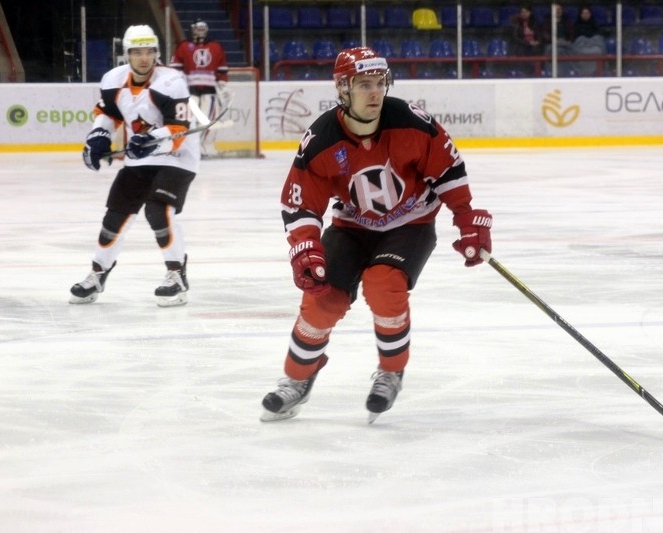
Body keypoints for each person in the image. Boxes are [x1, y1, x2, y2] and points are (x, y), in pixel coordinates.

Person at [261, 47, 493, 424]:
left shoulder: (412, 122)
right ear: (343, 89)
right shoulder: (321, 138)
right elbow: (300, 201)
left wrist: (466, 217)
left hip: (411, 224)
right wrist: (305, 245)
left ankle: (390, 372)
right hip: (351, 227)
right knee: (322, 299)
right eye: (364, 84)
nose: (375, 93)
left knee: (384, 285)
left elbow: (448, 170)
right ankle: (298, 378)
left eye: (379, 83)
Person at [70, 25, 199, 307]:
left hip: (178, 156)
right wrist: (98, 136)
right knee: (115, 214)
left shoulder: (171, 81)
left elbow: (178, 130)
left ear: (156, 53)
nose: (144, 58)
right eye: (137, 52)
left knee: (158, 209)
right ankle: (98, 273)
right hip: (141, 156)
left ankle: (176, 275)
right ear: (126, 54)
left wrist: (151, 139)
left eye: (149, 51)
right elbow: (108, 113)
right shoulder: (112, 80)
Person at [169, 19, 229, 157]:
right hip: (190, 90)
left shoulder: (216, 46)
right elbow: (175, 69)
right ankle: (187, 147)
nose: (200, 32)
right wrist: (178, 83)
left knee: (206, 121)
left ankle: (198, 148)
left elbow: (222, 70)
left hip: (210, 91)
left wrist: (222, 84)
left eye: (203, 29)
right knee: (189, 120)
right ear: (193, 30)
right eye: (198, 29)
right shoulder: (184, 46)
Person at [571, 5, 606, 76]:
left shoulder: (595, 25)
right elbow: (576, 40)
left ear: (590, 14)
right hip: (580, 47)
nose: (585, 15)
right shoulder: (576, 26)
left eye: (587, 13)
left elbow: (598, 37)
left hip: (594, 45)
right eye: (583, 13)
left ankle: (597, 72)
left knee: (598, 50)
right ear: (580, 15)